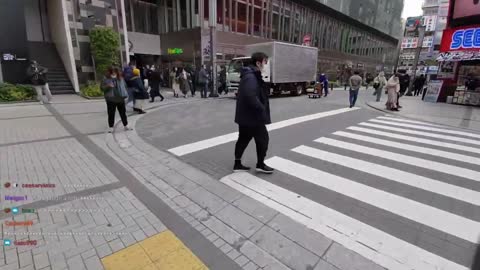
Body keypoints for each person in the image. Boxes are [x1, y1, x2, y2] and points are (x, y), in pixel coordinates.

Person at [233, 52, 273, 174]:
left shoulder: (249, 74)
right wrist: (261, 108)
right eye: (264, 62)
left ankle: (237, 164)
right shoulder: (251, 76)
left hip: (246, 117)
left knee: (243, 139)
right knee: (263, 139)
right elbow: (250, 95)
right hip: (253, 117)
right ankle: (260, 164)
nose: (265, 65)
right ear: (258, 63)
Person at [101, 67, 132, 133]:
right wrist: (108, 86)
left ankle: (126, 125)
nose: (114, 73)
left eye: (115, 72)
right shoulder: (105, 79)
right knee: (111, 113)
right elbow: (102, 88)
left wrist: (125, 95)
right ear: (109, 72)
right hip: (111, 99)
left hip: (120, 98)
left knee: (123, 113)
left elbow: (125, 87)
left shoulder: (120, 78)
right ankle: (111, 127)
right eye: (112, 72)